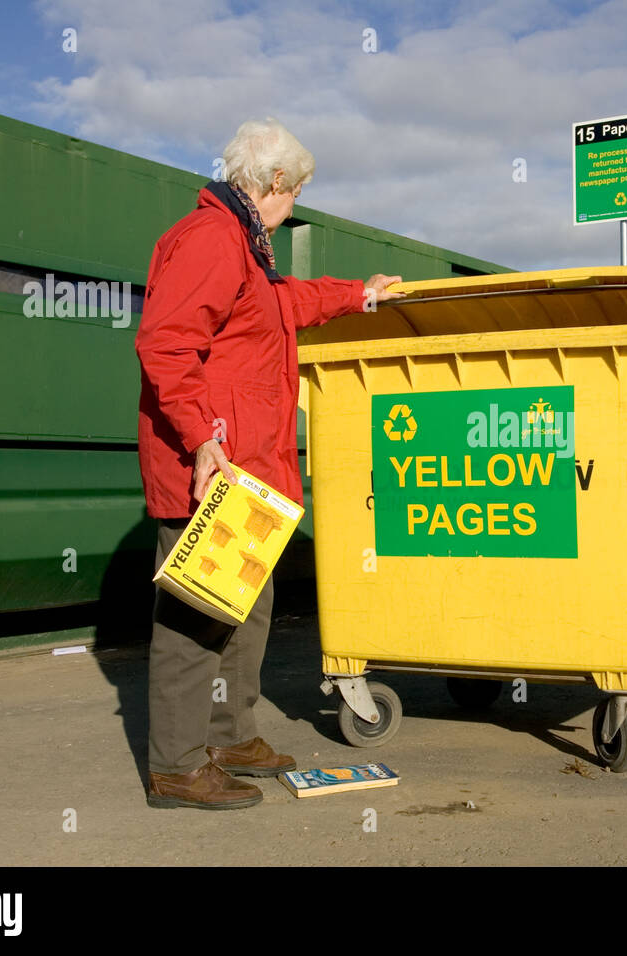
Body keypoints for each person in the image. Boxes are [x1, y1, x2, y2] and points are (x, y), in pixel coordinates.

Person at [135, 118, 404, 810]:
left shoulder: (245, 248)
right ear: (275, 183)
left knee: (247, 613)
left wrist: (358, 296)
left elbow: (283, 305)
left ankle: (227, 737)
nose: (294, 209)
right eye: (297, 194)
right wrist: (201, 439)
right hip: (213, 471)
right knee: (197, 622)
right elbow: (166, 346)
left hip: (248, 475)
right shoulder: (211, 240)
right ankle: (176, 766)